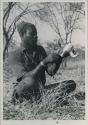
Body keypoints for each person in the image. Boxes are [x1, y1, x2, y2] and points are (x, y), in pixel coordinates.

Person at [7, 22, 77, 102]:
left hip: (39, 89)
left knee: (70, 84)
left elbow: (51, 72)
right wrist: (43, 62)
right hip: (22, 91)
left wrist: (61, 56)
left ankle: (41, 97)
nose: (35, 36)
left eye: (36, 34)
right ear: (23, 35)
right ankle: (45, 97)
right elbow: (26, 78)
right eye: (32, 34)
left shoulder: (40, 50)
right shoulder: (14, 55)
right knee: (30, 80)